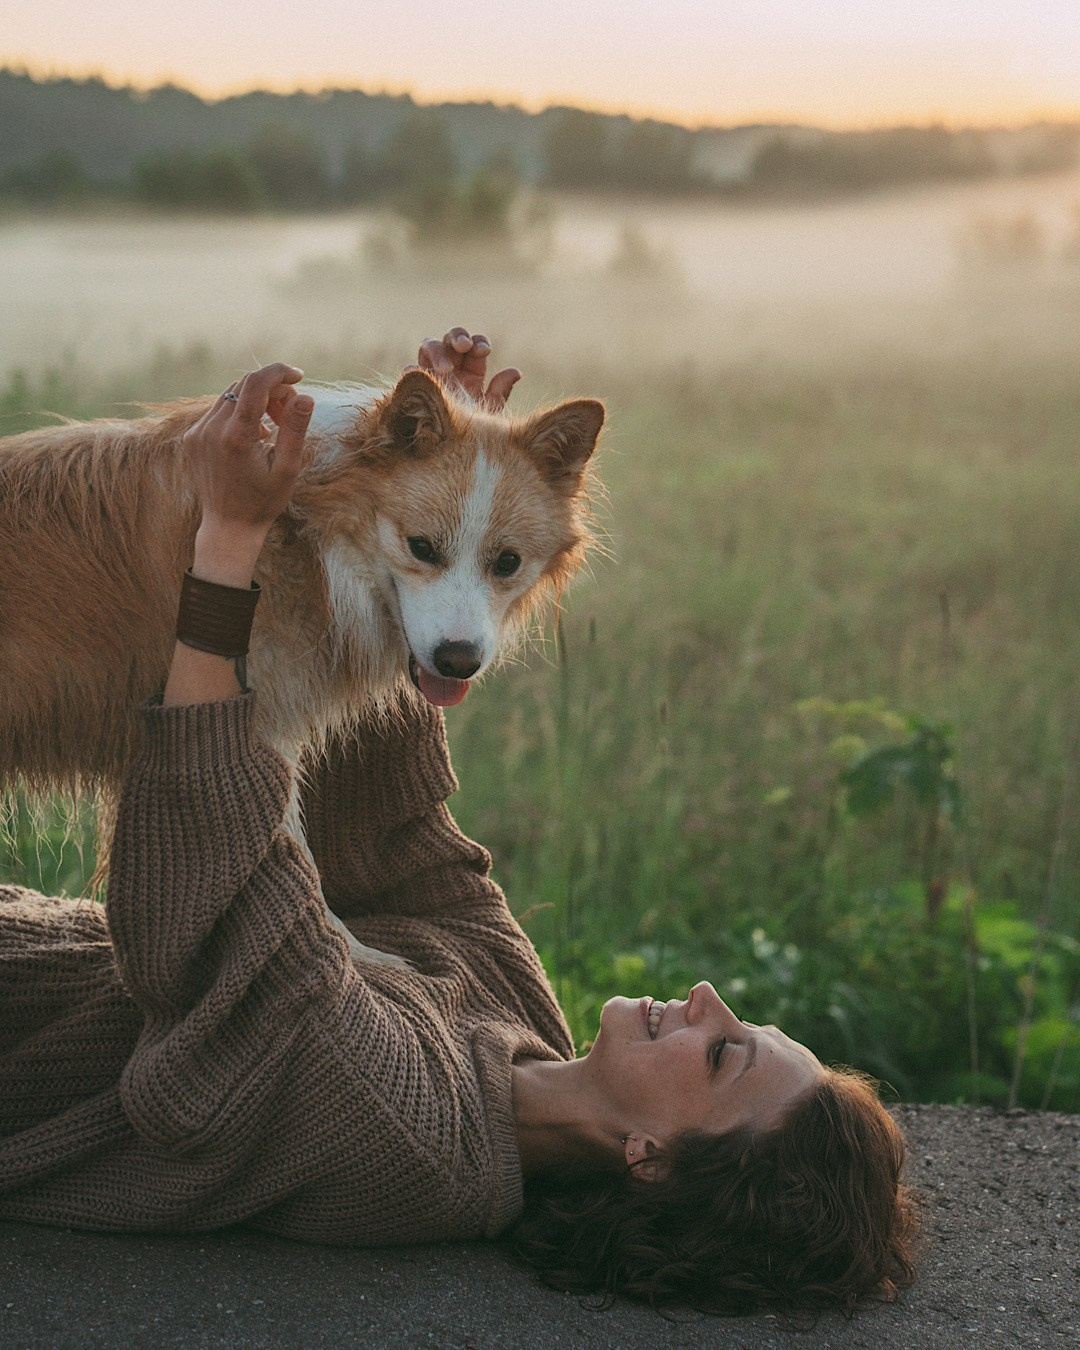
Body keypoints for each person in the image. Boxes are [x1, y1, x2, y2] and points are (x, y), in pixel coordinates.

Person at [0, 329, 917, 1316]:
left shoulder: (412, 1140)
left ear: (653, 1159)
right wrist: (444, 454)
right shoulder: (523, 1022)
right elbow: (396, 848)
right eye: (745, 1017)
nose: (705, 998)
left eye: (725, 1053)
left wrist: (224, 549)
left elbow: (204, 914)